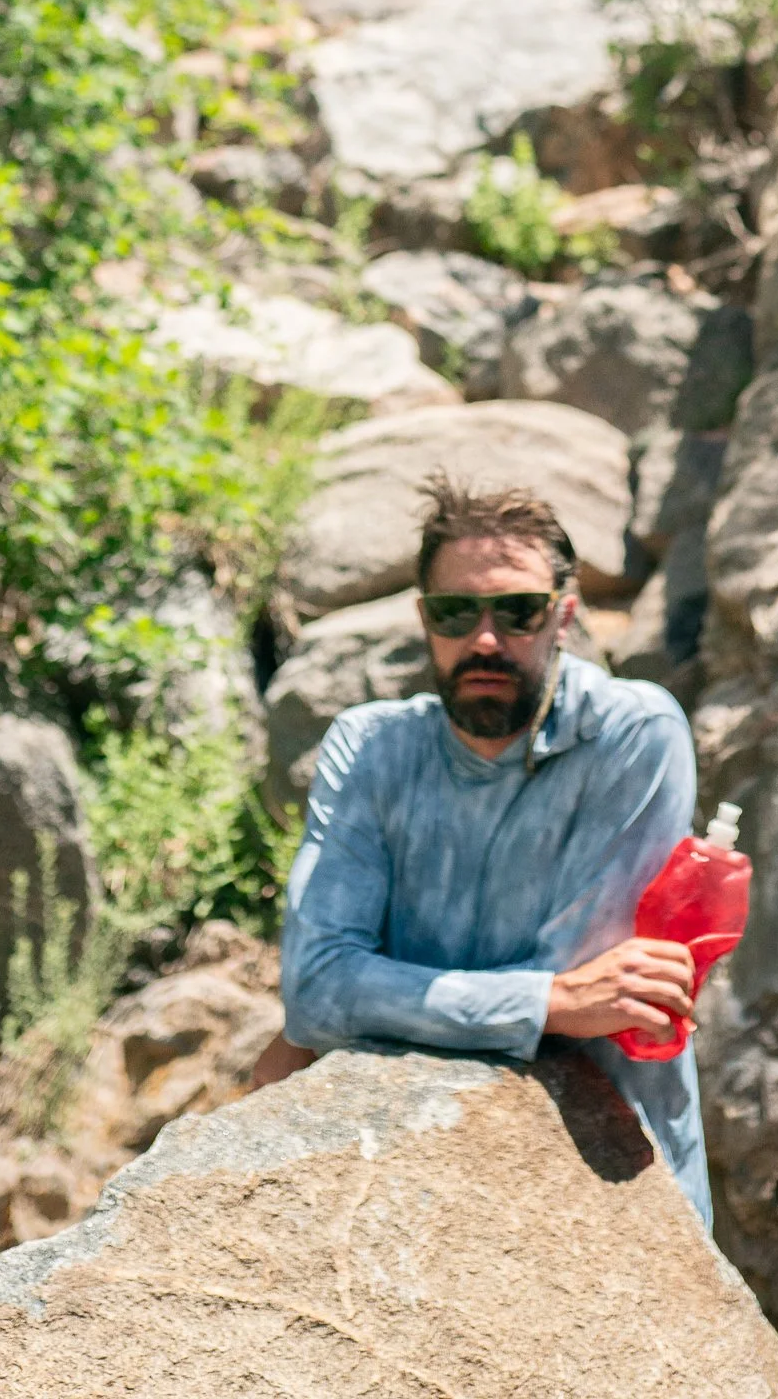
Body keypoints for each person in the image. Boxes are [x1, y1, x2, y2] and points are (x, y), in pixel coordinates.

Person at [249, 474, 713, 1223]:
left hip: (612, 1170)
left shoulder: (635, 736)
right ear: (424, 619)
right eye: (456, 612)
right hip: (396, 1161)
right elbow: (320, 988)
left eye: (519, 612)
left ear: (564, 617)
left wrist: (376, 996)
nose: (486, 640)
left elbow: (602, 1001)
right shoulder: (371, 748)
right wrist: (552, 1001)